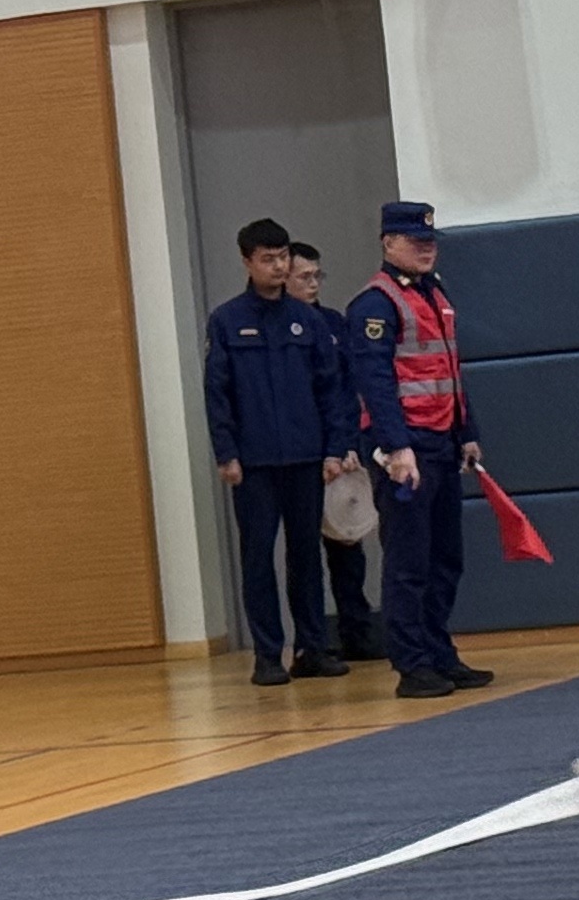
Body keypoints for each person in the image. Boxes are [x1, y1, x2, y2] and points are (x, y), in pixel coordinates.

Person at [351, 200, 493, 700]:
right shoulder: (375, 305)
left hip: (441, 442)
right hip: (407, 449)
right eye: (415, 242)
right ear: (388, 243)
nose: (426, 250)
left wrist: (466, 431)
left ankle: (438, 653)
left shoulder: (436, 293)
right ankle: (411, 665)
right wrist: (396, 448)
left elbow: (450, 371)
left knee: (444, 559)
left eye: (430, 242)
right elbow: (375, 384)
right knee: (409, 563)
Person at [202, 219, 351, 684]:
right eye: (268, 259)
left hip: (306, 457)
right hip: (254, 462)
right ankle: (268, 654)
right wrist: (225, 452)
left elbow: (331, 389)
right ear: (247, 261)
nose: (279, 266)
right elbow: (218, 393)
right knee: (258, 557)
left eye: (283, 256)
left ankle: (311, 648)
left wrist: (335, 448)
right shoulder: (227, 320)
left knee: (306, 556)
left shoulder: (308, 320)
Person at [286, 240, 380, 661]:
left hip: (341, 451)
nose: (313, 284)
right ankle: (312, 641)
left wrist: (346, 445)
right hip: (299, 452)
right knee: (304, 550)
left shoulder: (334, 324)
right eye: (304, 277)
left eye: (317, 276)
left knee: (347, 543)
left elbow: (346, 391)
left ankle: (356, 631)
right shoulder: (277, 328)